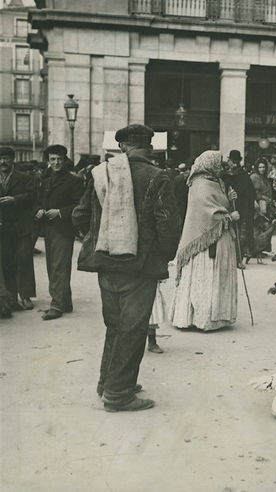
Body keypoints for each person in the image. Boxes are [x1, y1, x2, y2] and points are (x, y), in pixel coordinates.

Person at [72, 124, 182, 412]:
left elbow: (80, 215)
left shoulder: (101, 172)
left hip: (105, 262)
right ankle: (118, 394)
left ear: (122, 146)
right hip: (139, 266)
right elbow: (168, 225)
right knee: (132, 330)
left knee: (115, 326)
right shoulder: (158, 176)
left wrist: (99, 242)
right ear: (151, 147)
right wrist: (163, 256)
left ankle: (107, 383)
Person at [170, 150, 240, 332]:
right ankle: (200, 318)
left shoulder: (217, 183)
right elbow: (210, 215)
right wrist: (230, 217)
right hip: (205, 243)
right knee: (204, 276)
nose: (222, 166)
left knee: (215, 276)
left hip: (220, 238)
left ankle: (217, 316)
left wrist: (231, 200)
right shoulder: (200, 185)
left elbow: (220, 204)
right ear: (210, 164)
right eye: (218, 163)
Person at [35, 145, 85, 320]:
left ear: (65, 161)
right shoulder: (45, 182)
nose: (56, 163)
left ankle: (56, 305)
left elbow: (80, 205)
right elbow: (38, 201)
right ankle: (65, 302)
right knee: (52, 266)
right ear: (48, 161)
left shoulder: (74, 181)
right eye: (52, 159)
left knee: (59, 267)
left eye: (59, 159)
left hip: (64, 229)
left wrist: (61, 212)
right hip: (49, 229)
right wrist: (40, 210)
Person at [0, 147, 37, 311]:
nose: (3, 162)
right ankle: (11, 297)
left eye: (6, 158)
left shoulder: (24, 177)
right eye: (0, 159)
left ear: (13, 159)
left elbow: (33, 196)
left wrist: (15, 199)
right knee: (7, 261)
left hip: (22, 227)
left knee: (24, 260)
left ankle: (26, 296)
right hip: (3, 228)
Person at [223, 150, 256, 266]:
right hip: (227, 207)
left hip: (241, 208)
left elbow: (251, 193)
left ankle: (238, 259)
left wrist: (238, 195)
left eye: (231, 161)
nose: (229, 163)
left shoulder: (244, 176)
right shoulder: (225, 174)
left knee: (238, 233)